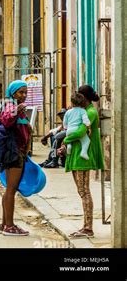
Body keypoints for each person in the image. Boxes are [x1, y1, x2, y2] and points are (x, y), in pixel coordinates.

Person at [58, 85, 104, 238]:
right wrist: (64, 146)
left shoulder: (90, 112)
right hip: (76, 155)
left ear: (84, 98)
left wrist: (65, 139)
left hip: (83, 157)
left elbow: (80, 131)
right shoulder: (82, 112)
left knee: (84, 192)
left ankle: (88, 228)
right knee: (81, 191)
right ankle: (85, 226)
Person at [0, 80, 32, 236]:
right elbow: (6, 120)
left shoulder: (17, 107)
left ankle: (5, 224)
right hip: (13, 153)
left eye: (25, 92)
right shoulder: (11, 106)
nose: (24, 95)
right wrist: (16, 110)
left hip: (16, 152)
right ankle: (10, 226)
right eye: (21, 92)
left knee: (9, 190)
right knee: (11, 190)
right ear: (12, 93)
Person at [63, 92, 91, 160]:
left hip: (69, 130)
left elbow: (64, 122)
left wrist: (66, 128)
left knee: (69, 139)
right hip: (77, 130)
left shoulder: (68, 112)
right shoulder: (83, 111)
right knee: (86, 141)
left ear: (72, 102)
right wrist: (89, 127)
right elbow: (86, 121)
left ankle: (69, 146)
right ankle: (83, 152)